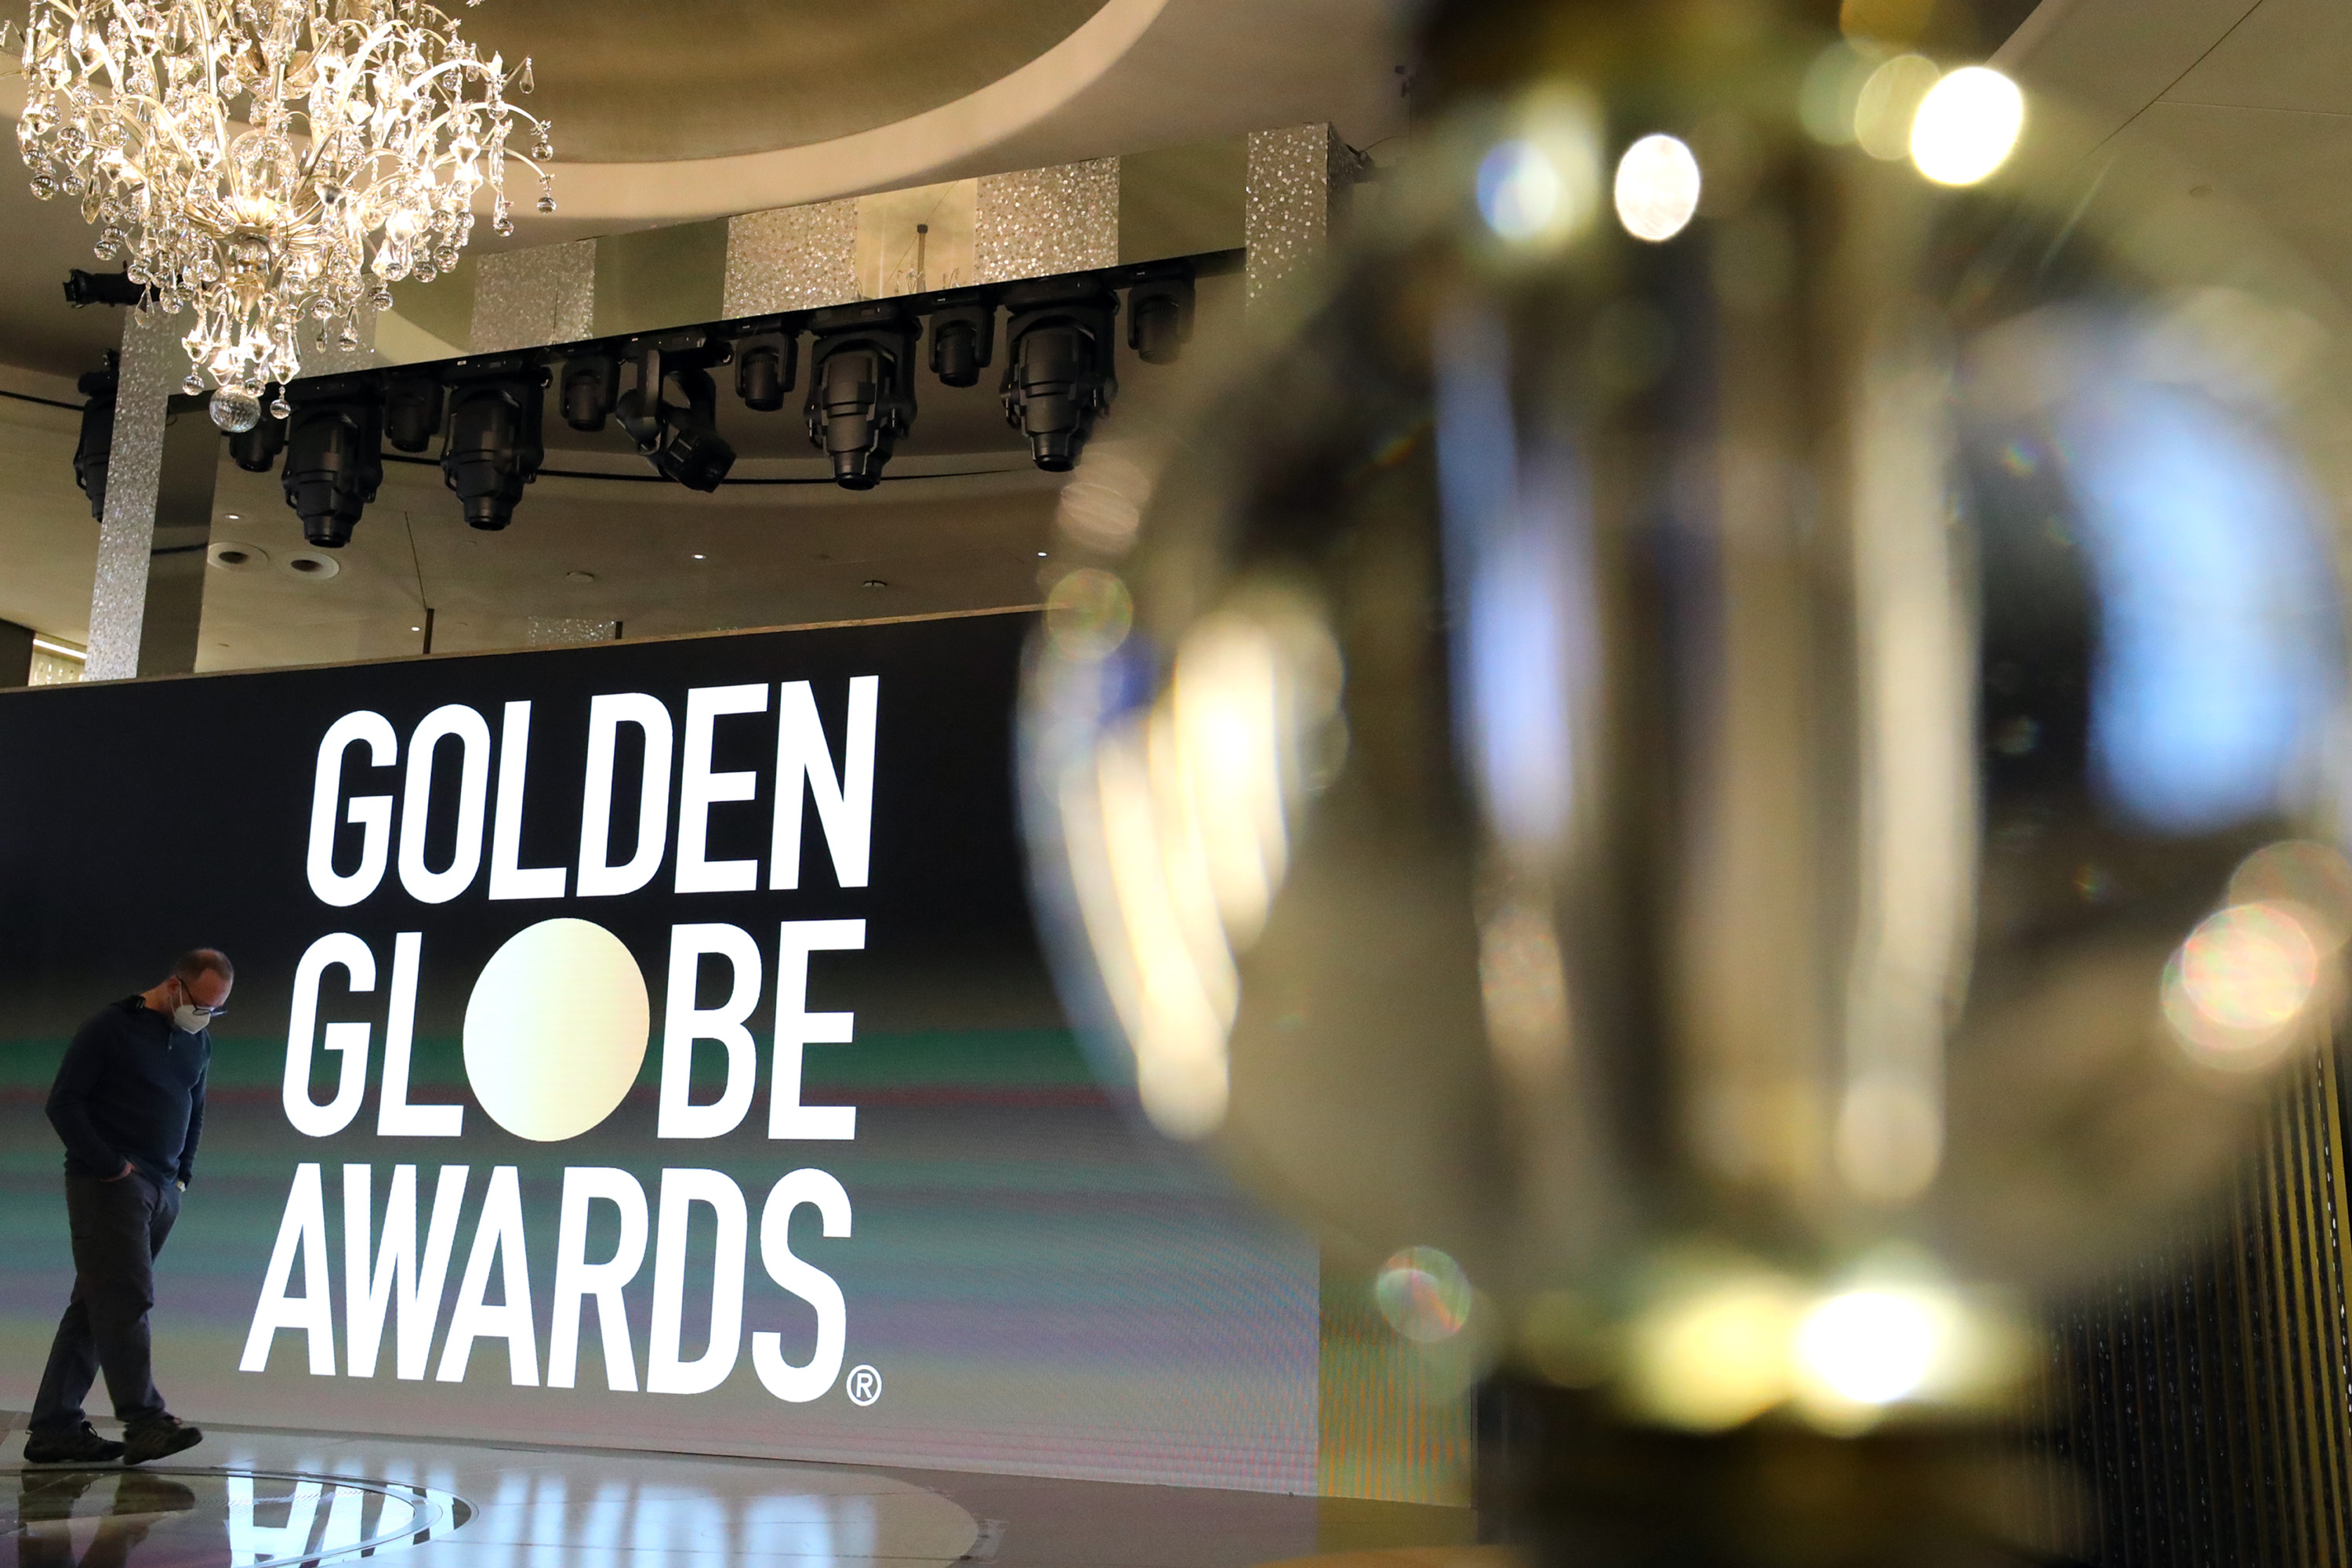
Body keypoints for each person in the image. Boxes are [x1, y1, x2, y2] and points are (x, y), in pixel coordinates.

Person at [23, 949, 230, 1467]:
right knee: (124, 1299)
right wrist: (112, 1166)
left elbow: (195, 1109)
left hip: (160, 1191)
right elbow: (63, 1103)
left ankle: (55, 1428)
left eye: (214, 1010)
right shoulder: (109, 1029)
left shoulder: (195, 1041)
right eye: (199, 1004)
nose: (202, 1016)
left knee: (97, 1306)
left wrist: (181, 1177)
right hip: (108, 1186)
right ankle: (145, 1421)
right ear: (174, 986)